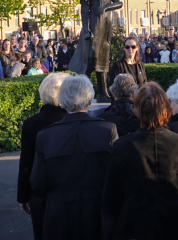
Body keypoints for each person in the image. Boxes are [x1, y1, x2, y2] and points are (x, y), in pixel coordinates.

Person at [102, 82, 178, 240]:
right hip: (176, 229)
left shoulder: (121, 147)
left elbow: (111, 201)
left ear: (137, 110)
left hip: (134, 229)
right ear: (166, 108)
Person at [29, 74, 118, 240]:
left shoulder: (46, 136)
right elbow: (116, 177)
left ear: (62, 102)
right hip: (98, 215)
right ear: (90, 100)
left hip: (59, 217)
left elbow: (37, 183)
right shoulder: (108, 130)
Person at [16, 73, 73, 240]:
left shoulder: (31, 123)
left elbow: (26, 161)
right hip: (69, 191)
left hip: (39, 192)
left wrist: (23, 196)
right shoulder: (72, 120)